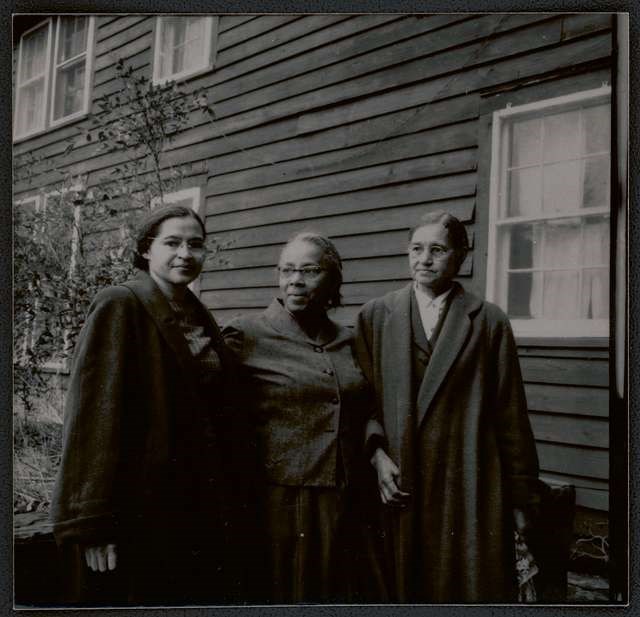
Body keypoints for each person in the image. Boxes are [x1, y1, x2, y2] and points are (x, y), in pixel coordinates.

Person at [50, 204, 253, 606]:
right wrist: (92, 524)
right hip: (134, 510)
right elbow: (93, 417)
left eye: (196, 245)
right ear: (146, 250)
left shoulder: (196, 313)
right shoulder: (120, 304)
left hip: (190, 507)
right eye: (172, 243)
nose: (186, 254)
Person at [355, 210, 540, 603]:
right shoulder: (376, 315)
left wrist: (521, 498)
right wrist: (376, 457)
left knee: (460, 583)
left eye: (437, 250)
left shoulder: (487, 321)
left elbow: (511, 414)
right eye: (416, 249)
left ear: (460, 258)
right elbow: (361, 400)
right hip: (400, 477)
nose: (424, 259)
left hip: (467, 479)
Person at [222, 232, 382, 603]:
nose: (295, 279)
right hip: (282, 503)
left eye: (309, 270)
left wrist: (376, 449)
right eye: (287, 270)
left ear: (332, 279)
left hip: (350, 496)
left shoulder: (351, 339)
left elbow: (370, 405)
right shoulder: (246, 334)